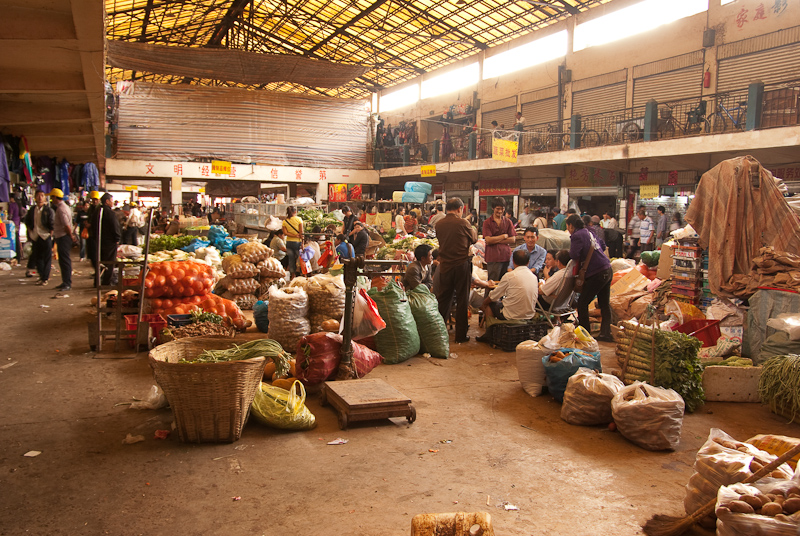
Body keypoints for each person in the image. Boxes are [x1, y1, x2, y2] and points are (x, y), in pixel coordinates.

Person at [434, 197, 477, 343]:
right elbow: (474, 239)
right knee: (462, 300)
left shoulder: (439, 224)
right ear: (460, 209)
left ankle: (438, 333)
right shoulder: (463, 222)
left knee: (444, 300)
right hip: (461, 265)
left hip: (445, 265)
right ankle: (460, 336)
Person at [566, 214, 613, 342]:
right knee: (604, 304)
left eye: (568, 227)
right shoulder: (589, 231)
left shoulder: (577, 236)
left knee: (582, 303)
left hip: (597, 273)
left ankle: (585, 335)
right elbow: (602, 246)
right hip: (607, 269)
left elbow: (574, 254)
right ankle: (605, 333)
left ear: (571, 225)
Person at [476, 249, 538, 343]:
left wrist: (484, 303)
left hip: (511, 315)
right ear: (528, 262)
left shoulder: (510, 276)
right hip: (529, 314)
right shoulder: (534, 277)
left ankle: (489, 334)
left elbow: (494, 296)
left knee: (490, 305)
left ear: (513, 261)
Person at [482, 197, 516, 292]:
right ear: (493, 208)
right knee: (492, 284)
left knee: (504, 284)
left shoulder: (508, 222)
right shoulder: (487, 222)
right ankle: (487, 305)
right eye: (498, 209)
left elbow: (513, 239)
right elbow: (488, 240)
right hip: (493, 257)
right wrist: (503, 236)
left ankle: (500, 305)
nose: (500, 211)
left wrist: (495, 239)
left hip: (506, 257)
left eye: (502, 209)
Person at [24, 189, 54, 286]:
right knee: (38, 258)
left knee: (47, 258)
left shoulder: (48, 210)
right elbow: (27, 221)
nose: (40, 197)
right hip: (36, 236)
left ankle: (45, 278)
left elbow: (52, 224)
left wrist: (51, 235)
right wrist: (30, 232)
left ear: (45, 198)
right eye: (38, 195)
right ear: (35, 197)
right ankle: (41, 276)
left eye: (42, 195)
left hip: (46, 236)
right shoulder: (32, 210)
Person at [50, 189, 74, 291]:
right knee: (63, 260)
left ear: (55, 197)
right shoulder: (64, 207)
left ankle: (67, 283)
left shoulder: (61, 209)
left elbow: (66, 225)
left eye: (52, 197)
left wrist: (71, 236)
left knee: (65, 260)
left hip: (64, 237)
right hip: (63, 236)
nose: (51, 200)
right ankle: (65, 281)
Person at [98, 193, 121, 286]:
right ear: (107, 202)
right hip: (110, 241)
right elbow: (115, 226)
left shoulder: (98, 211)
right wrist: (117, 238)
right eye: (111, 201)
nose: (112, 203)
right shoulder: (110, 213)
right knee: (110, 262)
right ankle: (107, 282)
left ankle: (100, 280)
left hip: (101, 240)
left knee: (103, 261)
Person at [283, 206, 304, 278]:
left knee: (291, 259)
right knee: (299, 259)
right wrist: (302, 242)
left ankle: (292, 276)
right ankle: (301, 275)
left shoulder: (285, 221)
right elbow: (301, 232)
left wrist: (293, 235)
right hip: (297, 243)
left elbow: (285, 233)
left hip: (288, 242)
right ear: (295, 212)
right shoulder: (299, 219)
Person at [85, 190, 101, 276]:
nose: (94, 201)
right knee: (91, 255)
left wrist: (91, 225)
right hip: (90, 235)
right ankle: (96, 271)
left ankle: (98, 273)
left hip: (97, 235)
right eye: (93, 199)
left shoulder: (100, 209)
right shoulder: (91, 209)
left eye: (96, 199)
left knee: (96, 255)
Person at [8, 193, 22, 261]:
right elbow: (24, 211)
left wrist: (8, 219)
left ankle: (15, 257)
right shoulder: (18, 205)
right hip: (17, 224)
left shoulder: (11, 205)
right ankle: (18, 257)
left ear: (12, 198)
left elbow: (10, 215)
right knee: (17, 240)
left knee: (14, 241)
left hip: (12, 225)